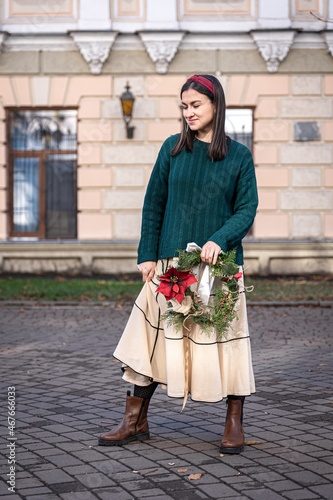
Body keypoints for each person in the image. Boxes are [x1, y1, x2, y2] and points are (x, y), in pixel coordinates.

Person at [99, 74, 258, 454]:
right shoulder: (172, 150)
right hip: (172, 266)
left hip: (218, 269)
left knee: (226, 340)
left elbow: (246, 209)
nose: (188, 112)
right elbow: (153, 203)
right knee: (150, 338)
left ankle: (234, 423)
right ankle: (134, 420)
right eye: (184, 106)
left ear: (216, 106)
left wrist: (219, 239)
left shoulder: (238, 156)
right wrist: (147, 255)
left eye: (196, 105)